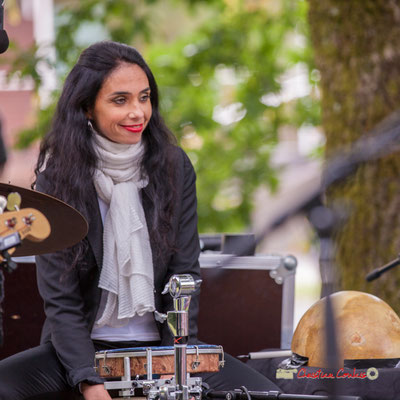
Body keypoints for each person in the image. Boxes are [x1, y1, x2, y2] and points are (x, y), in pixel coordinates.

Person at [0, 41, 281, 400]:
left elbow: (186, 273)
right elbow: (62, 301)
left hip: (164, 351)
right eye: (120, 100)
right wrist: (89, 382)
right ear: (87, 107)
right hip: (81, 353)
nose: (138, 112)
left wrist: (176, 367)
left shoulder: (174, 167)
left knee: (268, 395)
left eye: (144, 97)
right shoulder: (60, 178)